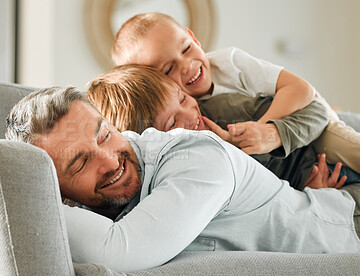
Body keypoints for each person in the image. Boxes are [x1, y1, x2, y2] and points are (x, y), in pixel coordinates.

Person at [5, 86, 360, 273]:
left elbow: (120, 253)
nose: (110, 160)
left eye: (104, 135)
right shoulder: (90, 208)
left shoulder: (196, 158)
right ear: (62, 193)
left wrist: (27, 195)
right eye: (81, 163)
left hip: (347, 232)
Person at [111, 12, 360, 173]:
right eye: (168, 69)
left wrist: (264, 129)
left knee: (351, 150)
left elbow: (301, 89)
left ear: (193, 38)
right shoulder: (184, 118)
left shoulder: (230, 63)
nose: (187, 66)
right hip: (295, 156)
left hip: (314, 117)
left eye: (186, 49)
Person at [87, 64, 360, 190]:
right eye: (172, 123)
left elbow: (314, 108)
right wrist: (311, 196)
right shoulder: (185, 173)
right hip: (320, 186)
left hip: (321, 152)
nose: (189, 113)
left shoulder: (222, 111)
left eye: (183, 98)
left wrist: (271, 133)